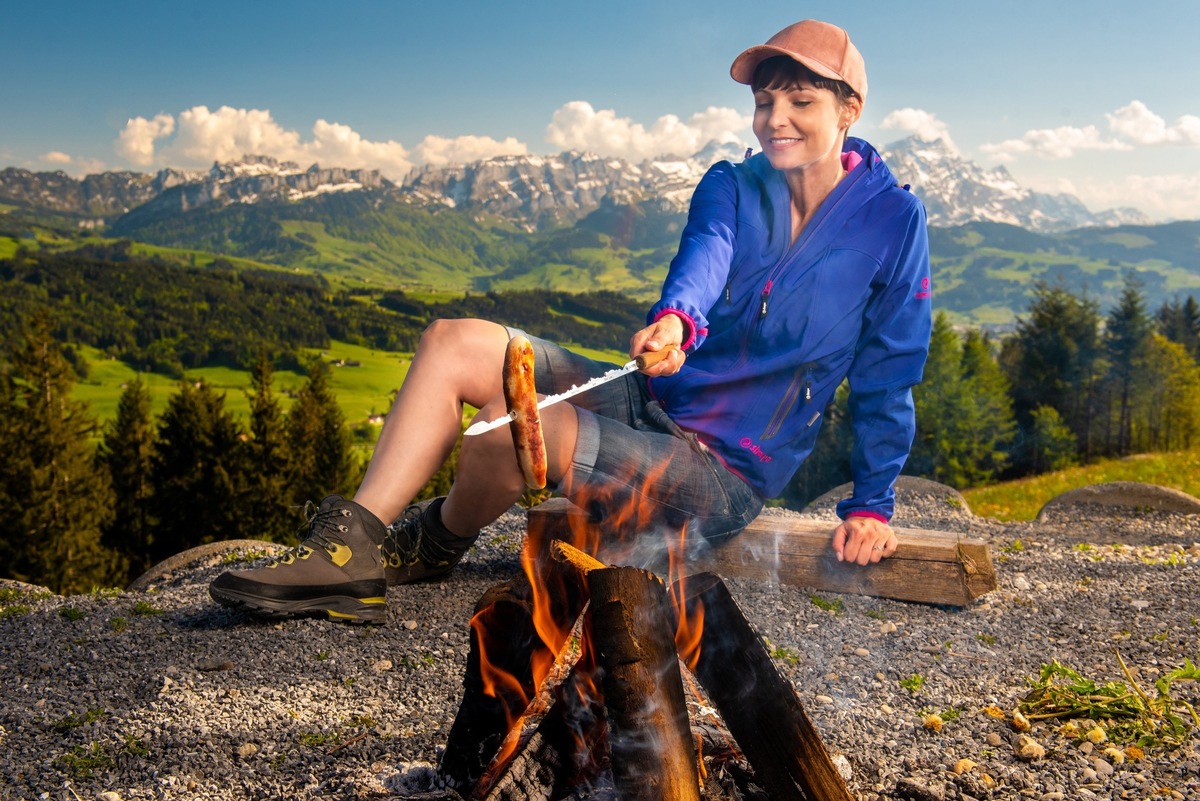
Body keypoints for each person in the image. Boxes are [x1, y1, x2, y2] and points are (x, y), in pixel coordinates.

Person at [209, 19, 932, 624]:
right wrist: (676, 321)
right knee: (452, 343)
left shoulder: (892, 222)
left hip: (720, 468)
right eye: (765, 102)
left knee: (504, 431)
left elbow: (888, 371)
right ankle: (351, 548)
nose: (776, 120)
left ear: (849, 109)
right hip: (652, 397)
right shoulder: (732, 185)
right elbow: (704, 260)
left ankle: (428, 544)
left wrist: (871, 501)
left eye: (800, 101)